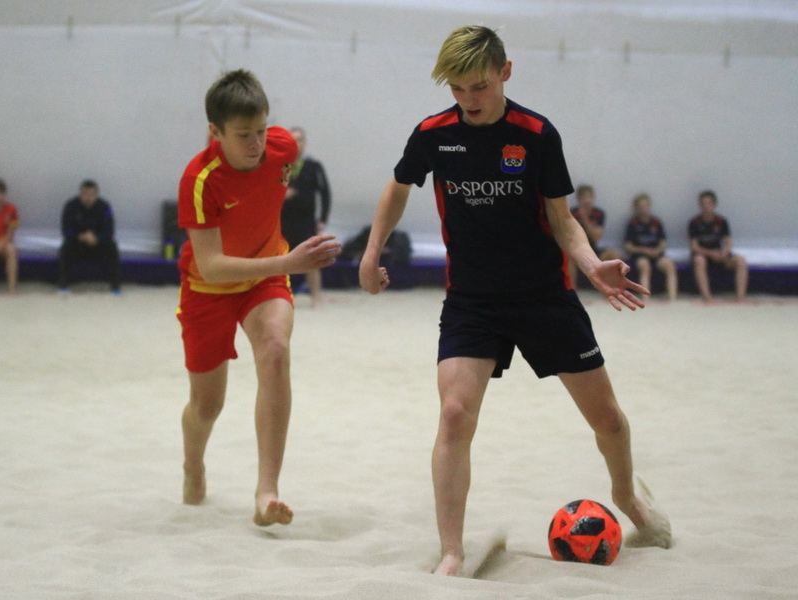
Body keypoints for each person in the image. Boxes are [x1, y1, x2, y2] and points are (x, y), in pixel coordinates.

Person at [358, 25, 671, 576]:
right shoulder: (433, 134)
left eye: (479, 86)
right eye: (457, 88)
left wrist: (592, 266)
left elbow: (561, 219)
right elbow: (398, 187)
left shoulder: (537, 135)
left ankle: (626, 495)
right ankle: (452, 552)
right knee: (454, 414)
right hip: (472, 301)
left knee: (609, 421)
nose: (468, 99)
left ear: (505, 72)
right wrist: (371, 250)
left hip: (543, 296)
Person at [176, 69, 341, 526]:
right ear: (215, 132)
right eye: (243, 135)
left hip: (265, 278)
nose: (256, 143)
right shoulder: (198, 179)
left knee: (275, 353)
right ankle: (193, 464)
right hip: (208, 290)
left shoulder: (282, 147)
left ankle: (266, 491)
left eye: (262, 130)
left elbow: (276, 169)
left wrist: (281, 262)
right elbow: (212, 265)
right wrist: (290, 262)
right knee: (207, 406)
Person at [281, 126, 332, 307]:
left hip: (306, 220)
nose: (297, 144)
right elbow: (276, 189)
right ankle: (282, 296)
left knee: (312, 259)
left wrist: (323, 219)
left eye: (300, 140)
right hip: (285, 220)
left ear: (305, 142)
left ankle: (315, 297)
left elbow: (325, 193)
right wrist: (283, 194)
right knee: (281, 258)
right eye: (293, 140)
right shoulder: (285, 166)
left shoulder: (313, 166)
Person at [58, 179, 121, 294]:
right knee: (65, 247)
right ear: (80, 194)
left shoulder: (104, 207)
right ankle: (63, 286)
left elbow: (109, 231)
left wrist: (97, 238)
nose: (88, 197)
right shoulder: (70, 206)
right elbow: (66, 231)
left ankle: (115, 287)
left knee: (112, 246)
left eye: (91, 194)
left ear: (96, 195)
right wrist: (81, 236)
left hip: (98, 244)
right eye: (85, 194)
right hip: (78, 244)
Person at [688, 190, 748, 302]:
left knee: (741, 260)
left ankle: (740, 297)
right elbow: (694, 247)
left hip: (720, 255)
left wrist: (724, 252)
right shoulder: (694, 223)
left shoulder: (722, 221)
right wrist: (711, 253)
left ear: (714, 205)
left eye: (709, 203)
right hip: (704, 255)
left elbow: (728, 243)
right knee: (699, 260)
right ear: (699, 205)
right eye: (703, 204)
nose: (706, 206)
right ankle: (707, 297)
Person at [624, 193, 677, 301]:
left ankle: (672, 298)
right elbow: (628, 246)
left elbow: (663, 242)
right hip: (640, 256)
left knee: (669, 265)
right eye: (640, 206)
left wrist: (657, 250)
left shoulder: (656, 222)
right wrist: (643, 250)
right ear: (636, 208)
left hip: (656, 254)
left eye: (645, 206)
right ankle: (646, 298)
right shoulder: (633, 223)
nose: (643, 209)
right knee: (645, 265)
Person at [568, 184, 621, 289]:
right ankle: (572, 290)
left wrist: (585, 219)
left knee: (614, 255)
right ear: (578, 199)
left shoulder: (599, 213)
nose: (587, 200)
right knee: (568, 257)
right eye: (584, 197)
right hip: (577, 249)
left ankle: (611, 289)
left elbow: (596, 237)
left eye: (589, 197)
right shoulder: (572, 213)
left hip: (593, 248)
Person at [0, 178, 19, 294]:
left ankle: (12, 289)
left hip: (5, 242)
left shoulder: (12, 210)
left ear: (4, 194)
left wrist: (2, 243)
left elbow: (11, 231)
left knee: (11, 249)